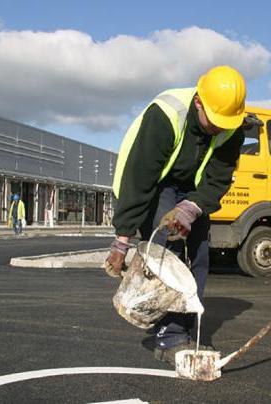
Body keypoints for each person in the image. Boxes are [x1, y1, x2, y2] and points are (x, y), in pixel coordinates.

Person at [104, 65, 248, 365]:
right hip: (156, 183)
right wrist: (122, 240)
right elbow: (139, 178)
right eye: (214, 120)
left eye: (225, 122)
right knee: (165, 251)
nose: (219, 128)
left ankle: (186, 331)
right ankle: (168, 337)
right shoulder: (166, 114)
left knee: (200, 255)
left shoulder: (232, 125)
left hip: (191, 190)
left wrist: (190, 210)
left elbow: (218, 179)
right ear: (198, 102)